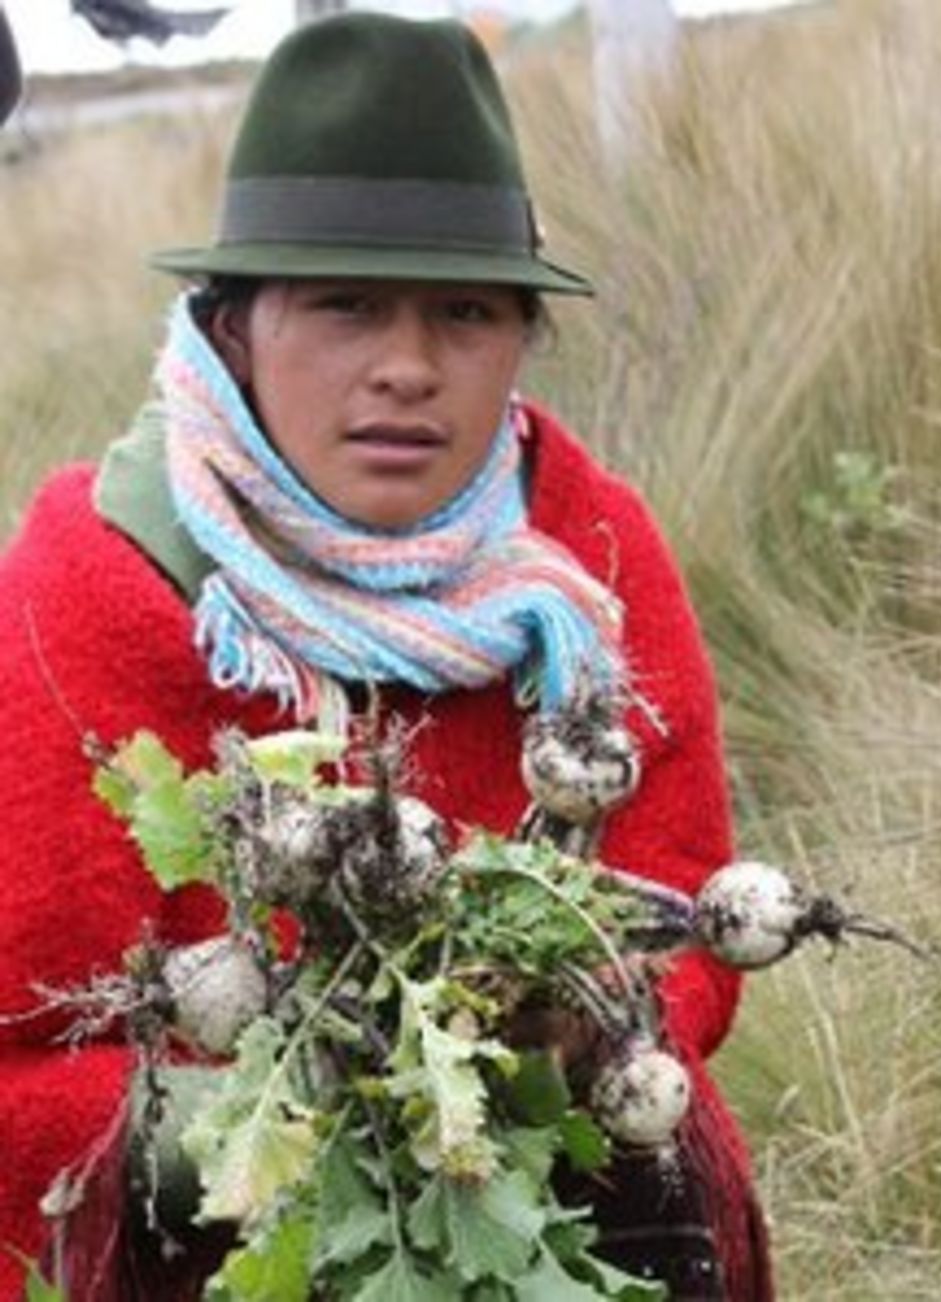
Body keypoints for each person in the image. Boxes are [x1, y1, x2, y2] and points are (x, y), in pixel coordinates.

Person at [0, 13, 773, 1301]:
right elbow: (15, 1068)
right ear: (232, 328)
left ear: (523, 338)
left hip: (558, 1212)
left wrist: (585, 1024)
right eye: (345, 306)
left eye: (465, 313)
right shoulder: (81, 593)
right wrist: (303, 1110)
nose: (408, 368)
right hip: (201, 1235)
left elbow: (683, 902)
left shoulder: (594, 555)